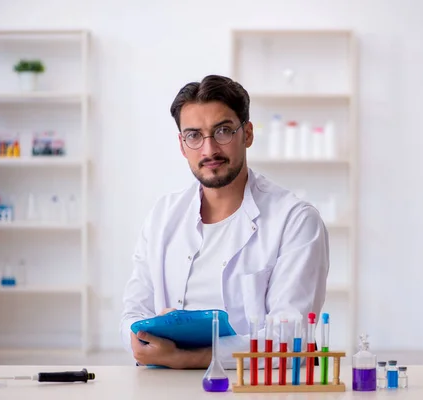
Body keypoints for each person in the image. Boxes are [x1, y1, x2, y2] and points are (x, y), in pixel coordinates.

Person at [119, 75, 329, 369]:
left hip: (251, 385)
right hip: (163, 383)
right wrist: (143, 336)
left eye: (223, 131)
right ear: (182, 145)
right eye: (194, 135)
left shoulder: (295, 220)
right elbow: (133, 312)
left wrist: (185, 358)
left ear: (248, 134)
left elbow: (290, 337)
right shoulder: (163, 215)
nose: (209, 150)